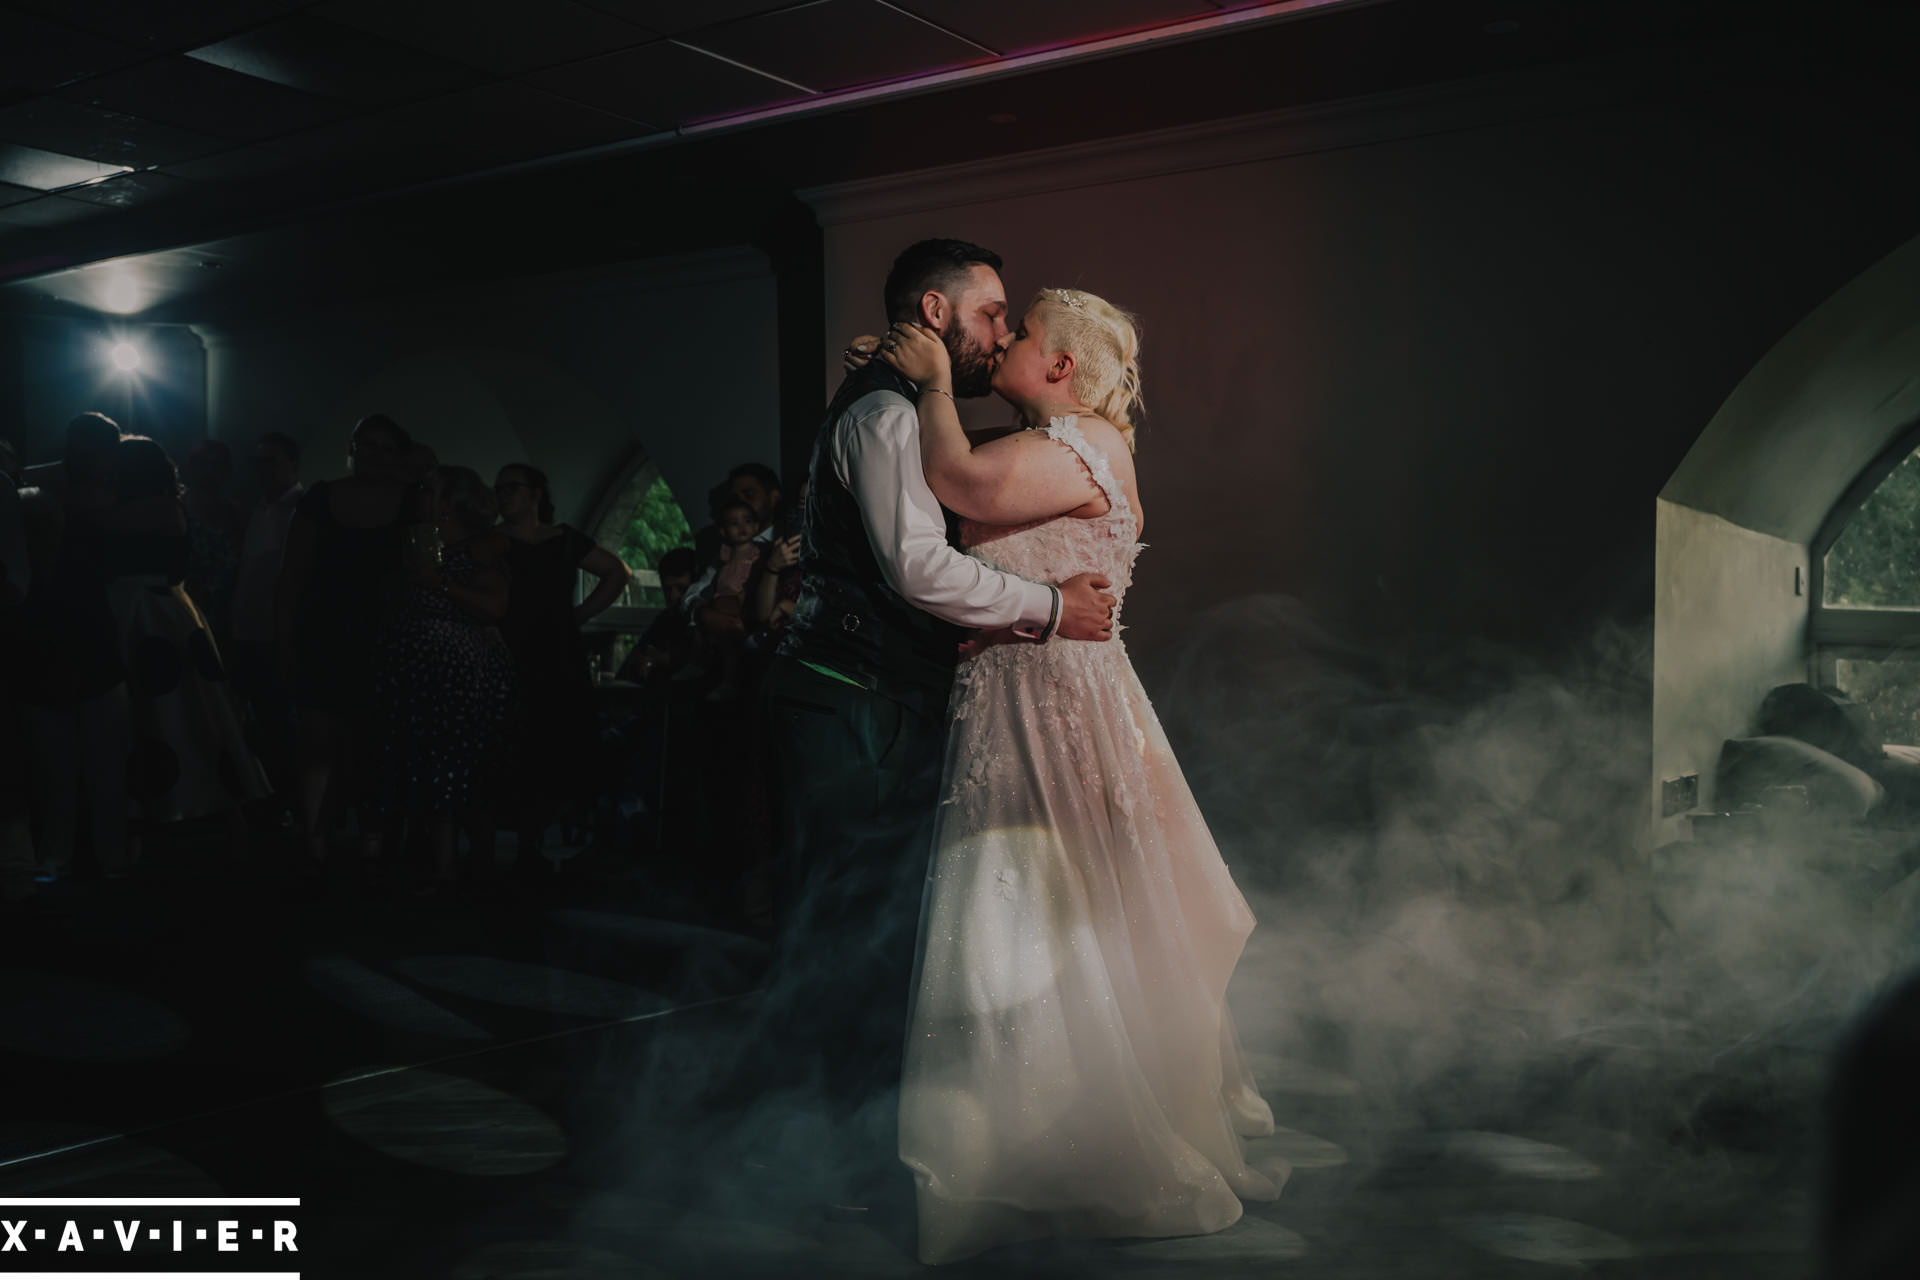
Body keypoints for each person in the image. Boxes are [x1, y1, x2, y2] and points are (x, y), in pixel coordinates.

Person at [874, 288, 1282, 1262]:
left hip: (1048, 704)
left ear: (1058, 365)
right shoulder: (1073, 441)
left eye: (1017, 334)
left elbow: (965, 485)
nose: (1001, 341)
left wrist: (929, 383)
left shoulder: (1077, 443)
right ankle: (1042, 1134)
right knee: (1056, 913)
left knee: (1046, 910)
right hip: (1039, 697)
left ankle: (1083, 1139)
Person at [752, 239, 1117, 1210]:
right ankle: (832, 1155)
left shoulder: (912, 406)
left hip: (878, 693)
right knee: (853, 920)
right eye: (991, 312)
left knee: (877, 918)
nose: (1002, 331)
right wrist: (1047, 608)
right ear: (936, 309)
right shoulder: (882, 414)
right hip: (849, 691)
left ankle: (852, 1135)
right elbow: (919, 569)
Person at [98, 436, 269, 850]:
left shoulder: (157, 508)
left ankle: (186, 804)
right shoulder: (163, 505)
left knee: (179, 713)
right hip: (158, 611)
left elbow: (102, 525)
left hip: (151, 614)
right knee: (182, 712)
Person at [275, 414, 412, 869]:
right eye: (365, 445)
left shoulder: (413, 502)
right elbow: (292, 571)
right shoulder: (321, 497)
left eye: (384, 447)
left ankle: (373, 841)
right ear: (352, 448)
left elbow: (432, 567)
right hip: (324, 631)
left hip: (387, 636)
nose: (372, 454)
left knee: (377, 742)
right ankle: (316, 843)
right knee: (319, 743)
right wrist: (285, 635)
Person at [372, 465, 514, 891]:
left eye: (430, 491)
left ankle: (464, 865)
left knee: (461, 768)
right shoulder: (414, 543)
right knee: (427, 767)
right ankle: (439, 862)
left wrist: (441, 585)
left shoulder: (478, 550)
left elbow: (495, 606)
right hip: (416, 676)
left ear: (449, 504)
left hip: (460, 680)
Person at [494, 463, 630, 871]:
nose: (503, 495)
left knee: (562, 742)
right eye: (498, 489)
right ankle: (525, 840)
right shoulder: (492, 542)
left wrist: (580, 615)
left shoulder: (564, 539)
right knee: (515, 746)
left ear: (536, 493)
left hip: (556, 654)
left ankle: (563, 837)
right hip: (509, 651)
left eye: (512, 487)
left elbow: (616, 572)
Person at [229, 432, 304, 816]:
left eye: (270, 462)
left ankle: (287, 802)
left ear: (293, 464)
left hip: (276, 634)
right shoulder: (260, 509)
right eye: (258, 463)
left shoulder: (300, 510)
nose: (262, 471)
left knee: (280, 724)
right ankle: (269, 799)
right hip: (249, 631)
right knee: (259, 722)